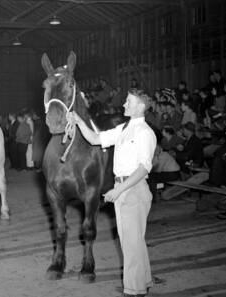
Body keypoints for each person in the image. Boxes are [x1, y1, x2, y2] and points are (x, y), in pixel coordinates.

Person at [71, 88, 156, 297]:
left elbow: (144, 168)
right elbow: (94, 138)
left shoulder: (145, 132)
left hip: (132, 189)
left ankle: (134, 290)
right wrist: (78, 120)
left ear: (141, 107)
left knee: (131, 243)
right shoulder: (124, 128)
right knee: (133, 240)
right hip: (125, 188)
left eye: (128, 101)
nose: (124, 105)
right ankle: (143, 282)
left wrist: (119, 190)